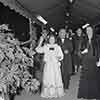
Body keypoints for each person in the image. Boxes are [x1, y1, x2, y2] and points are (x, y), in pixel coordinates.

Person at [35, 34, 64, 98]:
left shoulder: (58, 47)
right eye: (50, 39)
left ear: (55, 40)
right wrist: (41, 41)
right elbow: (37, 49)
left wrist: (58, 58)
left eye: (53, 39)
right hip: (48, 66)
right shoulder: (46, 46)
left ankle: (56, 93)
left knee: (56, 78)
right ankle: (48, 93)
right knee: (48, 78)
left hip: (55, 66)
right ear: (48, 40)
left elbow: (61, 56)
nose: (52, 40)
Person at [78, 25, 100, 99]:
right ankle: (85, 94)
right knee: (86, 78)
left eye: (90, 30)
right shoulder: (83, 40)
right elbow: (79, 52)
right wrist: (83, 52)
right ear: (86, 32)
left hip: (94, 62)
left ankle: (94, 94)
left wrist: (99, 60)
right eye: (87, 30)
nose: (89, 31)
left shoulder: (97, 39)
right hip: (85, 61)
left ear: (93, 31)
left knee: (94, 78)